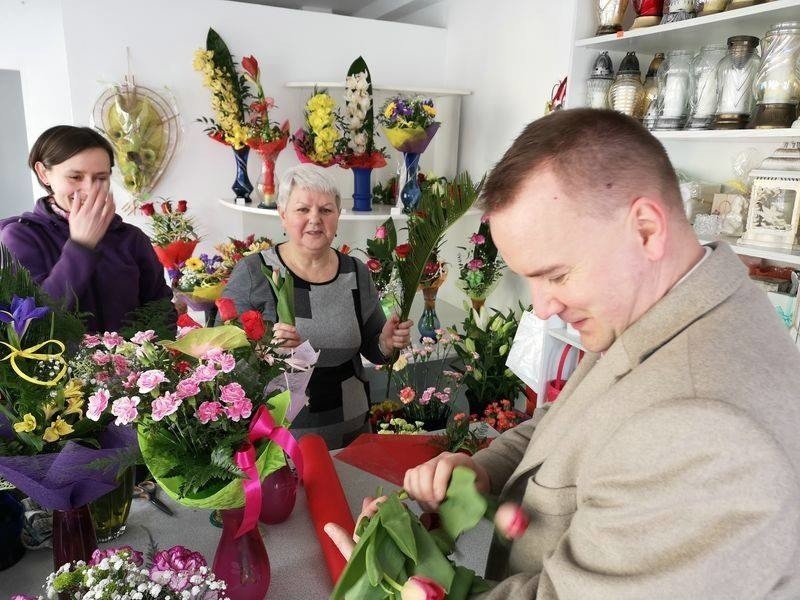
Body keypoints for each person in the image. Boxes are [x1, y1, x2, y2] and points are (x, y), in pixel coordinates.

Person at [327, 109, 800, 598]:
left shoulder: (704, 429)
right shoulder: (666, 310)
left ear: (645, 230)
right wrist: (483, 468)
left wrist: (397, 583)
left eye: (556, 275)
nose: (543, 307)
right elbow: (566, 418)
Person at [220, 164, 412, 449]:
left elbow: (373, 347)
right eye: (302, 210)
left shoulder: (354, 272)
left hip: (352, 431)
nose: (315, 220)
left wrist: (385, 343)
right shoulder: (255, 273)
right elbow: (220, 360)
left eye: (326, 210)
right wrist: (268, 352)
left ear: (337, 216)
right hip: (280, 435)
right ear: (283, 215)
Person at [0, 125, 173, 333]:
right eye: (75, 177)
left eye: (101, 178)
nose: (90, 189)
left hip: (134, 364)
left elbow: (161, 309)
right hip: (58, 365)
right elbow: (32, 325)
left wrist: (150, 357)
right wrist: (81, 247)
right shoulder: (19, 237)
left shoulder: (131, 238)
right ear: (44, 173)